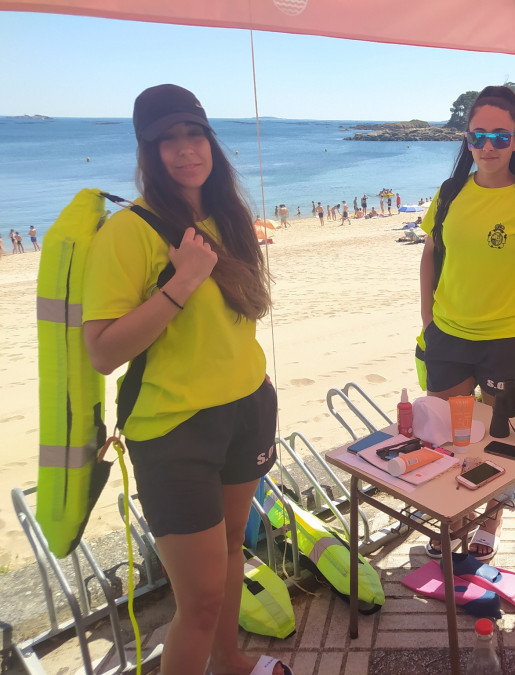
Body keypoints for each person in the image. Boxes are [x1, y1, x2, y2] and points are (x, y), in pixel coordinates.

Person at [81, 84, 290, 675]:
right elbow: (101, 352)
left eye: (192, 134)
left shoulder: (228, 216)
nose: (183, 150)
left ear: (210, 140)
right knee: (196, 601)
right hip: (174, 431)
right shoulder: (132, 230)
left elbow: (244, 314)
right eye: (165, 139)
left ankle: (230, 660)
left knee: (231, 551)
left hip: (246, 406)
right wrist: (183, 282)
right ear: (148, 151)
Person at [419, 85, 515, 561]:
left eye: (500, 137)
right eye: (478, 136)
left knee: (498, 440)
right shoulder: (448, 193)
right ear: (467, 140)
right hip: (447, 335)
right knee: (449, 436)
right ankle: (453, 514)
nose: (488, 146)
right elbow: (430, 255)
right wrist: (427, 317)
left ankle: (490, 520)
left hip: (503, 340)